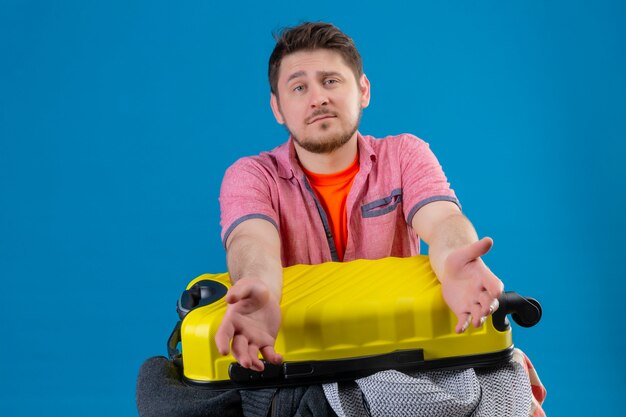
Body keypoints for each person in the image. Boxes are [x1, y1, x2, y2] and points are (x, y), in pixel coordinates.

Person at [215, 21, 506, 373]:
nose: (318, 98)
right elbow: (251, 242)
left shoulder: (404, 155)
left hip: (401, 358)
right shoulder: (251, 175)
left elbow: (443, 219)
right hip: (300, 360)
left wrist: (459, 258)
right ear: (277, 108)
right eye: (298, 87)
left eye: (331, 81)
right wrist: (257, 288)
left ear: (363, 90)